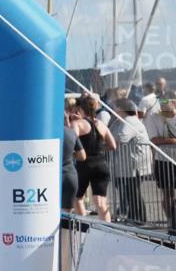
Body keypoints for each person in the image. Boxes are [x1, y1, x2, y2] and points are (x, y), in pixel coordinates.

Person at [72, 93, 117, 222]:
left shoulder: (77, 123)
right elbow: (113, 145)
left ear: (80, 109)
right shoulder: (101, 124)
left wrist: (77, 153)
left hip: (84, 165)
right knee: (101, 203)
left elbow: (72, 141)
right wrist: (98, 149)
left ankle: (83, 225)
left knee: (77, 198)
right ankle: (108, 229)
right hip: (101, 164)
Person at [110, 98, 153, 224]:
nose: (112, 110)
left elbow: (121, 139)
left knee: (133, 191)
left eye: (115, 107)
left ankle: (139, 218)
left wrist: (109, 141)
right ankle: (133, 216)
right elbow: (109, 135)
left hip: (136, 164)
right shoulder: (119, 121)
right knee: (130, 191)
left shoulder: (130, 121)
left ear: (120, 109)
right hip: (127, 163)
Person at [146, 98, 176, 234]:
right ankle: (171, 220)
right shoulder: (153, 117)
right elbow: (153, 140)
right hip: (163, 160)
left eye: (169, 112)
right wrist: (173, 141)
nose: (166, 114)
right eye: (163, 111)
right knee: (167, 193)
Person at [61, 99, 86, 212]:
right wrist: (70, 154)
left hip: (52, 176)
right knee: (67, 216)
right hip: (70, 176)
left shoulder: (46, 135)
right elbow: (82, 156)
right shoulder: (71, 133)